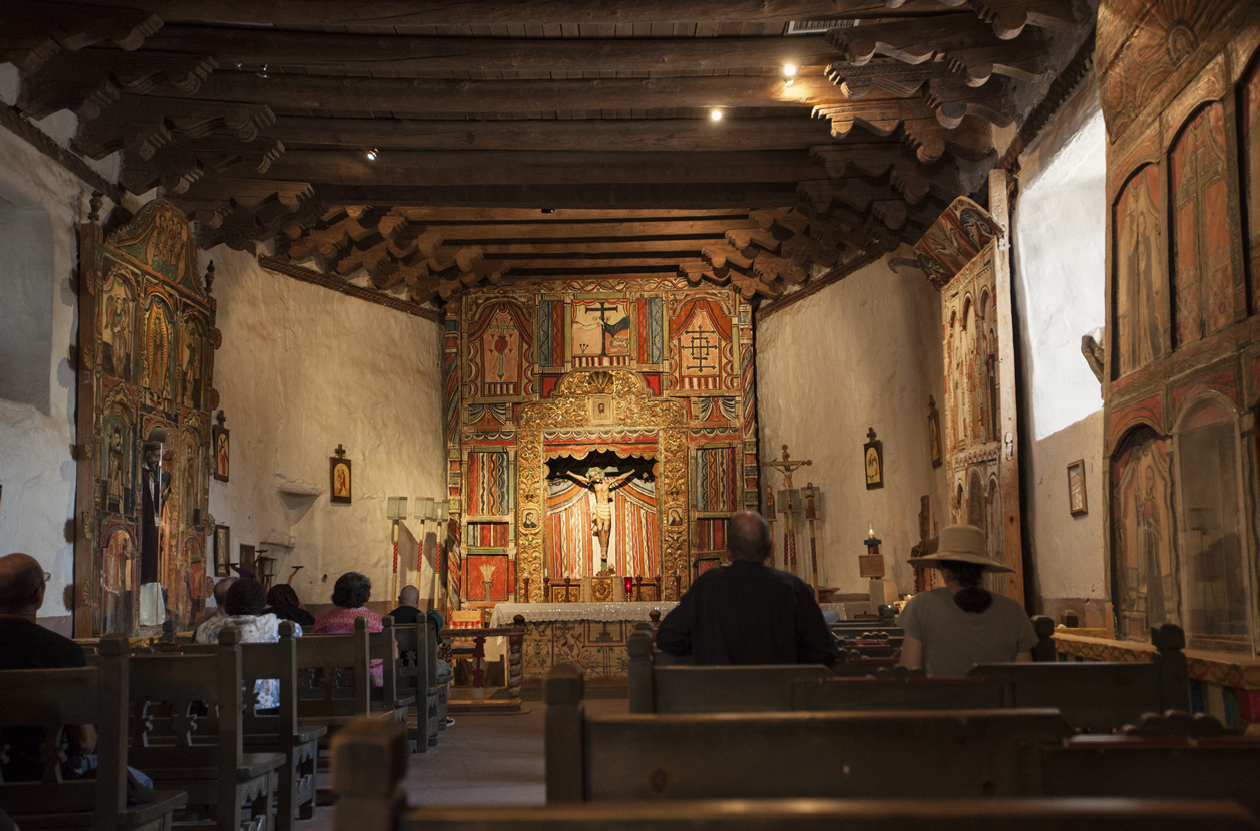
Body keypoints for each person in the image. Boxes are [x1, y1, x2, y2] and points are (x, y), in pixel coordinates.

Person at [0, 554, 154, 802]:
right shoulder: (61, 651)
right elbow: (83, 742)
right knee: (141, 783)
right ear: (37, 595)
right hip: (48, 780)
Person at [656, 511, 838, 665]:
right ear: (771, 549)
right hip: (779, 701)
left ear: (727, 551)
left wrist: (705, 649)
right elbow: (825, 652)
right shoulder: (792, 587)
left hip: (717, 700)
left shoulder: (707, 585)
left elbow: (668, 638)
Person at [899, 524, 1039, 677]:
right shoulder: (1013, 611)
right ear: (982, 568)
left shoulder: (921, 605)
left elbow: (909, 675)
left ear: (942, 568)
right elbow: (1024, 678)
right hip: (998, 701)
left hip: (940, 701)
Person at [194, 578, 302, 711]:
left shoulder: (207, 628)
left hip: (218, 709)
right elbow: (298, 632)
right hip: (267, 706)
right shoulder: (277, 626)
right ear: (262, 603)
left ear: (228, 603)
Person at [314, 572, 385, 683]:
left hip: (330, 685)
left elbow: (312, 655)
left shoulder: (321, 622)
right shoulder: (376, 621)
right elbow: (393, 653)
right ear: (365, 594)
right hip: (370, 685)